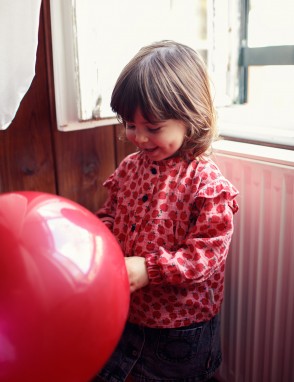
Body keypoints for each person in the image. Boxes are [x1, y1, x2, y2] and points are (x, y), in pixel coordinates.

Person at [93, 40, 239, 382]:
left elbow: (206, 255)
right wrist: (101, 240)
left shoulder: (206, 182)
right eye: (130, 125)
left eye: (153, 128)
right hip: (128, 314)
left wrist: (150, 269)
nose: (139, 138)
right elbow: (110, 214)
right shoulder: (130, 167)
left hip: (181, 330)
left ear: (190, 118)